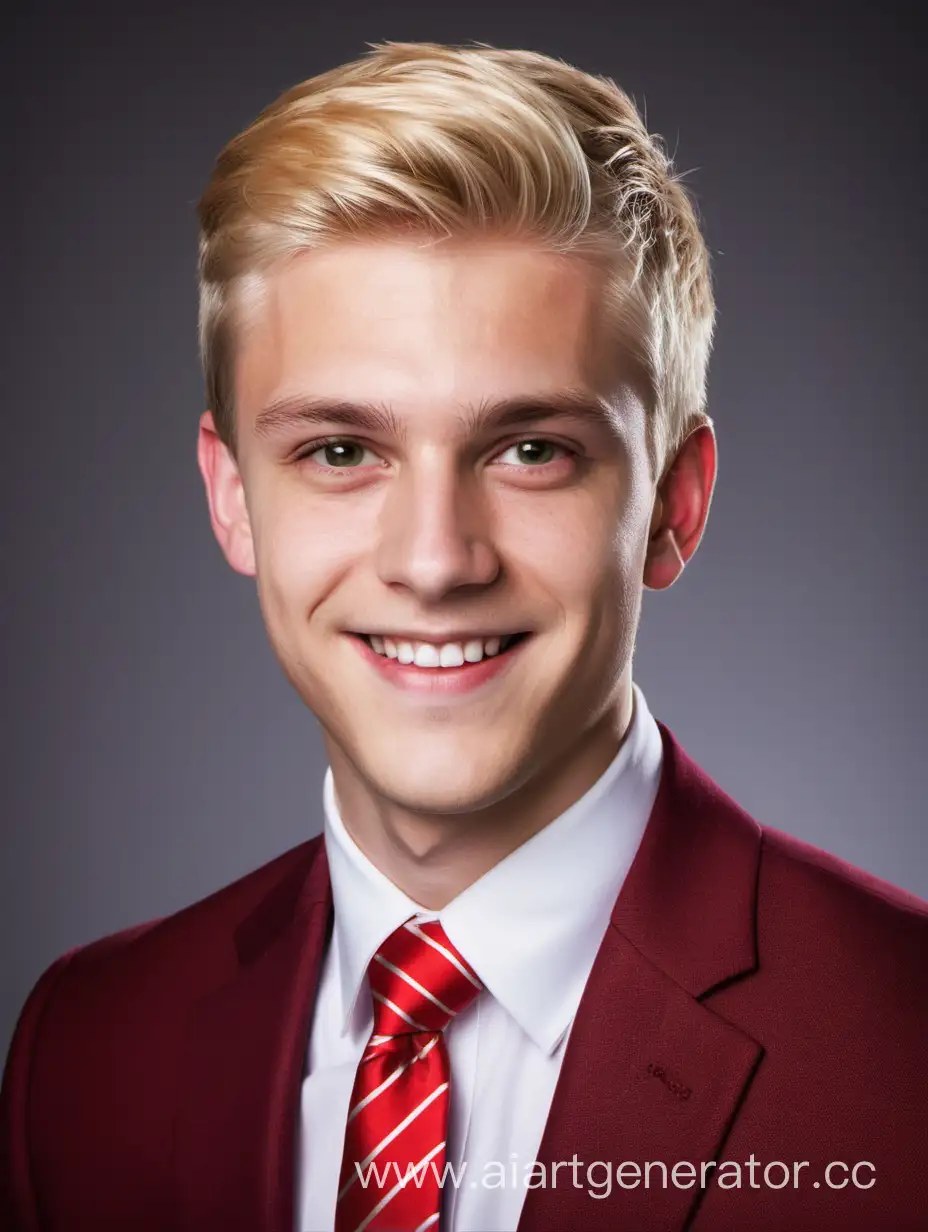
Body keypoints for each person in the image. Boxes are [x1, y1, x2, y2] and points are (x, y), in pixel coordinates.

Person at [1, 39, 925, 1232]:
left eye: (530, 449)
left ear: (672, 504)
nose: (434, 560)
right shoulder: (85, 1047)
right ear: (232, 496)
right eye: (341, 451)